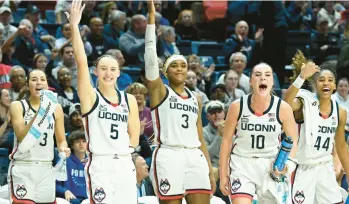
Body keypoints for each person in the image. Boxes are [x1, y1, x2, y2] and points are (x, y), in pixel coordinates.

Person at [66, 0, 140, 203]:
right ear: (96, 72)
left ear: (119, 73)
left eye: (113, 69)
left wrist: (122, 150)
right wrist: (74, 27)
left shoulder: (129, 99)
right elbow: (81, 62)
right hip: (101, 164)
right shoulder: (91, 96)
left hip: (125, 164)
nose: (108, 73)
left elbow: (134, 137)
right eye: (104, 68)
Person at [145, 1, 216, 203]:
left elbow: (200, 137)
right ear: (166, 72)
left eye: (182, 66)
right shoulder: (160, 91)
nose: (179, 69)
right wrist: (151, 22)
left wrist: (209, 169)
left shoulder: (196, 98)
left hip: (195, 156)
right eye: (173, 66)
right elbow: (150, 59)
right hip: (169, 155)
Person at [219, 63, 299, 204]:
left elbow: (293, 141)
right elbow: (226, 141)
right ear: (250, 81)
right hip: (242, 164)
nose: (263, 78)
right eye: (258, 75)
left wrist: (288, 166)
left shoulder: (283, 108)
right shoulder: (237, 106)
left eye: (267, 75)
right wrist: (223, 174)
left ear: (272, 82)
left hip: (271, 164)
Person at [284, 62, 349, 204]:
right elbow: (286, 103)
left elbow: (341, 146)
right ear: (315, 84)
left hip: (325, 167)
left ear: (334, 86)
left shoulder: (340, 112)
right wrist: (301, 77)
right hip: (304, 168)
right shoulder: (304, 102)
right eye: (321, 80)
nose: (326, 83)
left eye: (330, 80)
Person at [8, 69, 70, 203]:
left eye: (42, 79)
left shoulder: (56, 108)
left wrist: (63, 149)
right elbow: (21, 137)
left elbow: (61, 140)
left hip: (46, 168)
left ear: (47, 84)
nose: (38, 82)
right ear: (27, 84)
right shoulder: (17, 106)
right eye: (34, 79)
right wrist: (41, 112)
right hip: (23, 167)